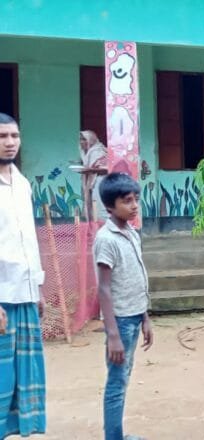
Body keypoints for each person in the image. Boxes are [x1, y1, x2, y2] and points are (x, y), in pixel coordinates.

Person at [94, 172, 153, 440]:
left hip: (134, 315)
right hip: (120, 321)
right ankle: (114, 437)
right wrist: (113, 335)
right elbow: (104, 288)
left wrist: (146, 317)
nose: (134, 205)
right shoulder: (106, 239)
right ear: (109, 207)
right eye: (127, 201)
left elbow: (137, 277)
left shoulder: (131, 233)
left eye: (136, 199)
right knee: (117, 383)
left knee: (123, 378)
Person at [0, 112, 47, 439]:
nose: (10, 143)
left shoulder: (23, 183)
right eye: (3, 136)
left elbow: (29, 238)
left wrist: (39, 288)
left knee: (25, 374)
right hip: (2, 296)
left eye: (14, 136)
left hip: (26, 293)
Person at [79, 130, 109, 221]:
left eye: (84, 139)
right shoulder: (88, 152)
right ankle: (95, 230)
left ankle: (106, 229)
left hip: (101, 182)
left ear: (91, 139)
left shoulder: (98, 151)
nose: (81, 142)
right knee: (93, 207)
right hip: (93, 182)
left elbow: (107, 168)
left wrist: (89, 169)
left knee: (100, 208)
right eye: (80, 139)